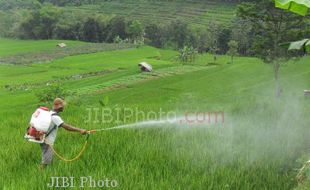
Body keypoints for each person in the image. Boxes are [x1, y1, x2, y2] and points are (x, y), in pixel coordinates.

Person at [40, 98, 87, 168]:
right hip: (47, 141)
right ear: (59, 106)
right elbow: (67, 127)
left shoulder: (50, 113)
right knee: (46, 161)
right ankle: (41, 173)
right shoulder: (55, 117)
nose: (64, 107)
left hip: (43, 138)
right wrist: (80, 130)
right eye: (63, 106)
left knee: (49, 157)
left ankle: (49, 171)